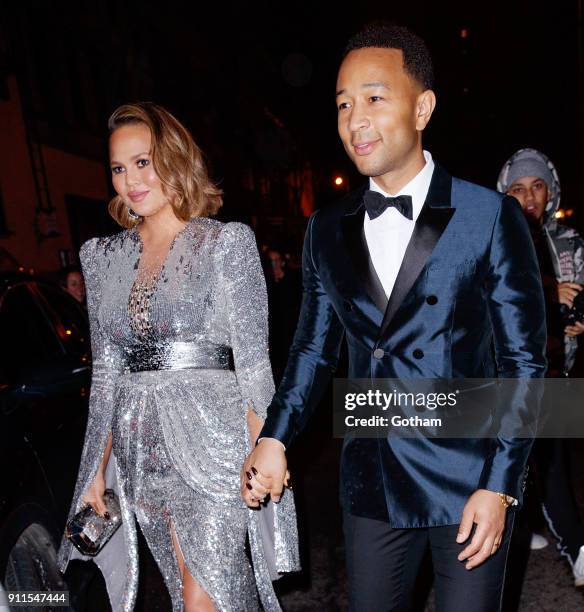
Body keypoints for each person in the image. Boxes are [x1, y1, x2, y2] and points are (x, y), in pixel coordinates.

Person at [242, 24, 546, 611]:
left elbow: (525, 362)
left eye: (375, 98)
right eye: (343, 104)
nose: (356, 119)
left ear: (423, 107)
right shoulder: (325, 229)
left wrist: (502, 486)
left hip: (469, 477)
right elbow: (312, 351)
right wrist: (275, 436)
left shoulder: (489, 216)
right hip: (373, 478)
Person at [57, 102, 299, 612]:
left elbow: (253, 362)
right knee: (188, 588)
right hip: (140, 446)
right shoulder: (102, 259)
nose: (130, 180)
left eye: (143, 162)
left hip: (214, 444)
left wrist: (267, 446)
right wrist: (94, 473)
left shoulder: (225, 243)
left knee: (202, 595)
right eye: (119, 168)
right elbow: (106, 374)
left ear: (174, 159)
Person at [498, 148, 584, 586]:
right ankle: (579, 547)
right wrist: (552, 306)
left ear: (550, 190)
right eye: (518, 188)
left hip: (563, 371)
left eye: (536, 186)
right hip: (518, 379)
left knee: (543, 459)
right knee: (546, 463)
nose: (529, 196)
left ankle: (523, 519)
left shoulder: (571, 240)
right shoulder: (497, 238)